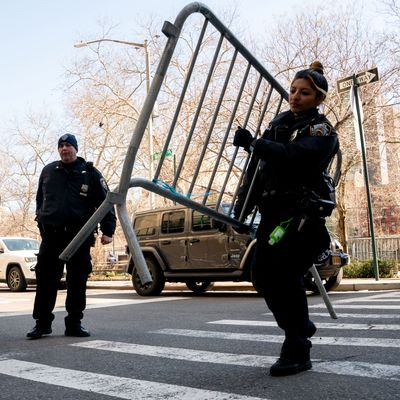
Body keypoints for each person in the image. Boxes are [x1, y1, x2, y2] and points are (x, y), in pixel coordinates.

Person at [233, 61, 339, 376]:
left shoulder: (321, 130)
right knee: (261, 276)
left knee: (287, 277)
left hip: (301, 217)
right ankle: (301, 326)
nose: (295, 96)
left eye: (304, 93)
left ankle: (297, 349)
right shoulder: (279, 124)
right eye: (293, 90)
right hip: (274, 215)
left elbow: (294, 159)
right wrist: (241, 209)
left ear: (318, 99)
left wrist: (255, 143)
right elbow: (257, 171)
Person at [27, 133, 116, 339]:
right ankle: (42, 324)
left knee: (77, 280)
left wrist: (108, 230)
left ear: (76, 148)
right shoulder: (49, 171)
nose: (64, 149)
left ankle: (74, 324)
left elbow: (106, 202)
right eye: (61, 146)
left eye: (68, 145)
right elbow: (40, 200)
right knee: (46, 279)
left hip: (79, 237)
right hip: (52, 236)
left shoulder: (90, 173)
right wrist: (41, 219)